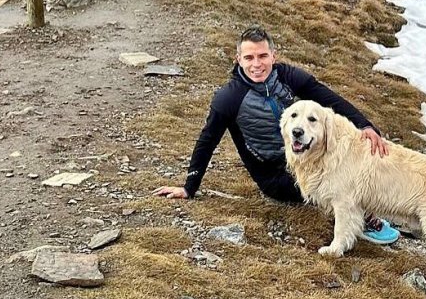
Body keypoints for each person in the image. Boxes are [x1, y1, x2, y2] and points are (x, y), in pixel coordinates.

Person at [155, 26, 399, 244]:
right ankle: (364, 217)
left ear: (273, 55)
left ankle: (384, 200)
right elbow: (208, 139)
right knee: (339, 182)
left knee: (351, 159)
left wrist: (365, 126)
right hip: (274, 173)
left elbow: (329, 100)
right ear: (238, 59)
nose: (256, 64)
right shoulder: (229, 98)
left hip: (306, 156)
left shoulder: (289, 77)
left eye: (262, 56)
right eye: (249, 57)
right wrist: (189, 186)